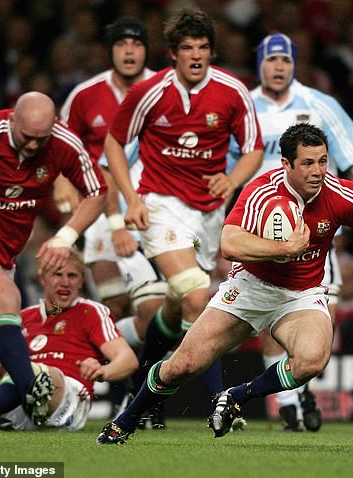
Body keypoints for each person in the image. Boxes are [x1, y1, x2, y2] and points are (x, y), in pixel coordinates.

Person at [96, 123, 353, 444]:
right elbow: (229, 244)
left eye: (322, 161)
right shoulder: (261, 190)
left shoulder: (341, 194)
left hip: (302, 295)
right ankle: (126, 420)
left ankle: (237, 396)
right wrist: (284, 248)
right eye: (307, 163)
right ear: (286, 164)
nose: (317, 171)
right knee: (183, 365)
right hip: (249, 288)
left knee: (313, 359)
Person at [226, 32, 353, 432]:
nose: (278, 66)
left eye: (285, 59)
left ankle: (298, 390)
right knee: (272, 312)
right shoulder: (244, 106)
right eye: (271, 59)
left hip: (317, 230)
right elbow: (228, 172)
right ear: (260, 64)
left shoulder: (321, 105)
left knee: (318, 321)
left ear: (294, 64)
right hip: (262, 225)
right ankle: (289, 404)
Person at [103, 10, 263, 405]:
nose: (196, 55)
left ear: (211, 52)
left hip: (208, 213)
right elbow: (113, 143)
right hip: (159, 203)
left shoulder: (232, 90)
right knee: (196, 295)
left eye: (203, 48)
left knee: (176, 308)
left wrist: (232, 178)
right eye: (188, 48)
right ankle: (219, 401)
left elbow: (254, 148)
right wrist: (133, 198)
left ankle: (139, 385)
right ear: (173, 53)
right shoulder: (149, 92)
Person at [0, 91, 107, 426]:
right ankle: (32, 390)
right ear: (12, 120)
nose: (33, 146)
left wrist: (64, 237)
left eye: (41, 139)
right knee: (6, 298)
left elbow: (97, 192)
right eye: (27, 137)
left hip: (3, 256)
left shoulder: (62, 143)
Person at [59, 17, 163, 346]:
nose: (129, 51)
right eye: (121, 44)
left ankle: (147, 389)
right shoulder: (84, 95)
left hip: (154, 208)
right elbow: (62, 145)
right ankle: (123, 390)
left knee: (156, 309)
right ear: (110, 51)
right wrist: (61, 181)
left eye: (137, 44)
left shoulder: (164, 89)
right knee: (113, 305)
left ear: (147, 50)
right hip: (102, 211)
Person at [0, 249, 138, 430]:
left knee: (33, 370)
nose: (65, 282)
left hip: (66, 400)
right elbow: (5, 375)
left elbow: (128, 360)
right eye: (57, 275)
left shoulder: (90, 312)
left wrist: (103, 371)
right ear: (42, 278)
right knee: (19, 372)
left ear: (81, 281)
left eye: (72, 276)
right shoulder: (24, 316)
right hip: (21, 402)